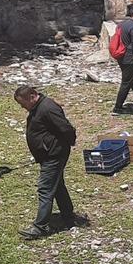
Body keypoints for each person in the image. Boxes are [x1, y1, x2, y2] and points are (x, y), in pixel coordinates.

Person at [14, 86, 78, 240]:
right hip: (49, 154)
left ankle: (40, 226)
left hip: (53, 155)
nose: (22, 107)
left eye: (23, 103)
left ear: (32, 96)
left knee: (45, 188)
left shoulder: (47, 108)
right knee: (57, 185)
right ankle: (68, 216)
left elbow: (66, 128)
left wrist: (63, 145)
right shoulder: (38, 107)